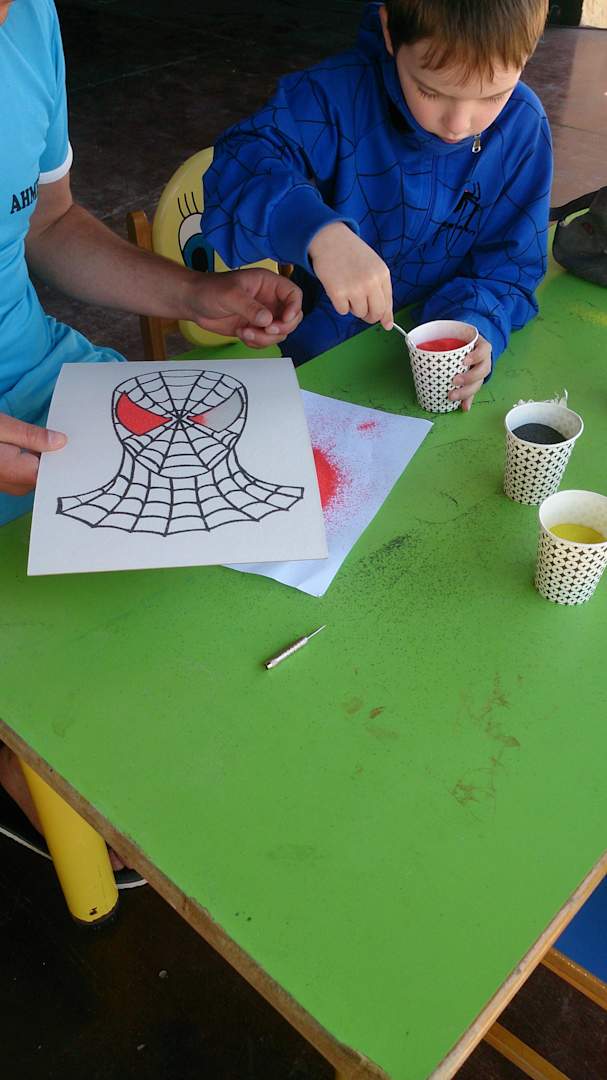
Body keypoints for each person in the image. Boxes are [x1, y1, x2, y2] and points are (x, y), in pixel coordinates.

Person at [0, 0, 303, 884]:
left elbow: (49, 223)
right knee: (70, 713)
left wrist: (191, 297)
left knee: (231, 598)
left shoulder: (31, 20)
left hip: (42, 379)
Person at [201, 0, 552, 410]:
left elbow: (510, 268)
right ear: (390, 31)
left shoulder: (522, 125)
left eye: (493, 95)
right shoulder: (332, 96)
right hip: (321, 365)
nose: (458, 125)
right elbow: (238, 165)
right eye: (430, 90)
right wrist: (321, 234)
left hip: (435, 384)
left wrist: (477, 325)